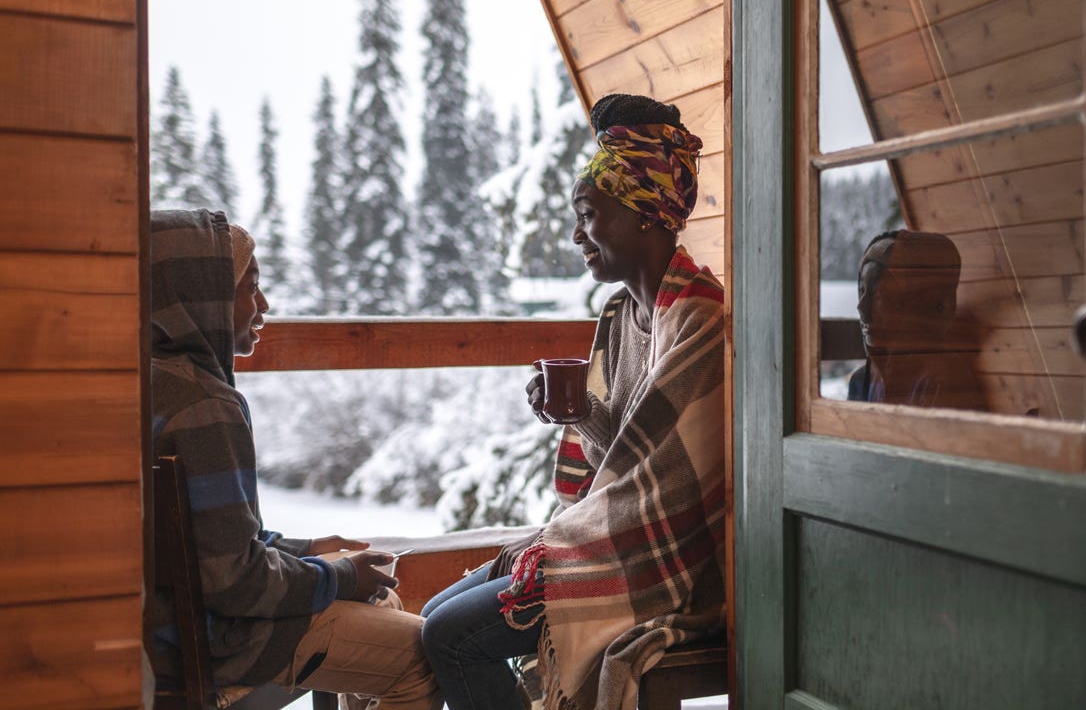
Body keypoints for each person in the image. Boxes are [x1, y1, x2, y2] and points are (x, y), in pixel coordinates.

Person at [420, 94, 726, 710]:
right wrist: (578, 411)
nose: (576, 234)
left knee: (448, 635)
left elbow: (662, 483)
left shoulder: (696, 314)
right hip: (612, 531)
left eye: (588, 214)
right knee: (433, 611)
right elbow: (623, 451)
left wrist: (551, 544)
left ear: (643, 213)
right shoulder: (621, 314)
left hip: (668, 560)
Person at [148, 209, 438, 709]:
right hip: (214, 646)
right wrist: (342, 575)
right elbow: (234, 583)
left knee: (381, 601)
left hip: (164, 629)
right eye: (249, 287)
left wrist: (307, 549)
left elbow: (208, 545)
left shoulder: (143, 380)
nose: (263, 306)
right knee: (424, 655)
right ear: (202, 295)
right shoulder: (203, 405)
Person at [848, 229, 986, 411]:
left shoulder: (943, 382)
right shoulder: (863, 381)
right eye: (862, 291)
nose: (862, 308)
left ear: (920, 302)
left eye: (879, 295)